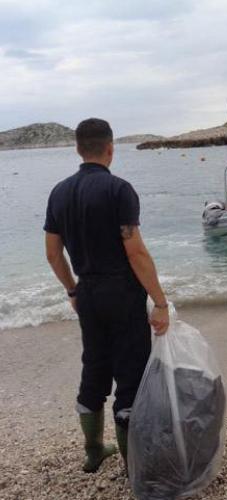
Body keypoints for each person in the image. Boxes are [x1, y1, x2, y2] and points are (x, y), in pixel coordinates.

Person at [43, 118, 169, 473]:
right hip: (122, 292)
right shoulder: (119, 189)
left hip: (87, 293)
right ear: (111, 149)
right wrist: (159, 302)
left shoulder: (59, 192)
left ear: (78, 149)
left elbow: (53, 253)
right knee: (130, 373)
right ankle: (134, 466)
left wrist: (72, 289)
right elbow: (136, 251)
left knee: (94, 366)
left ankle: (94, 451)